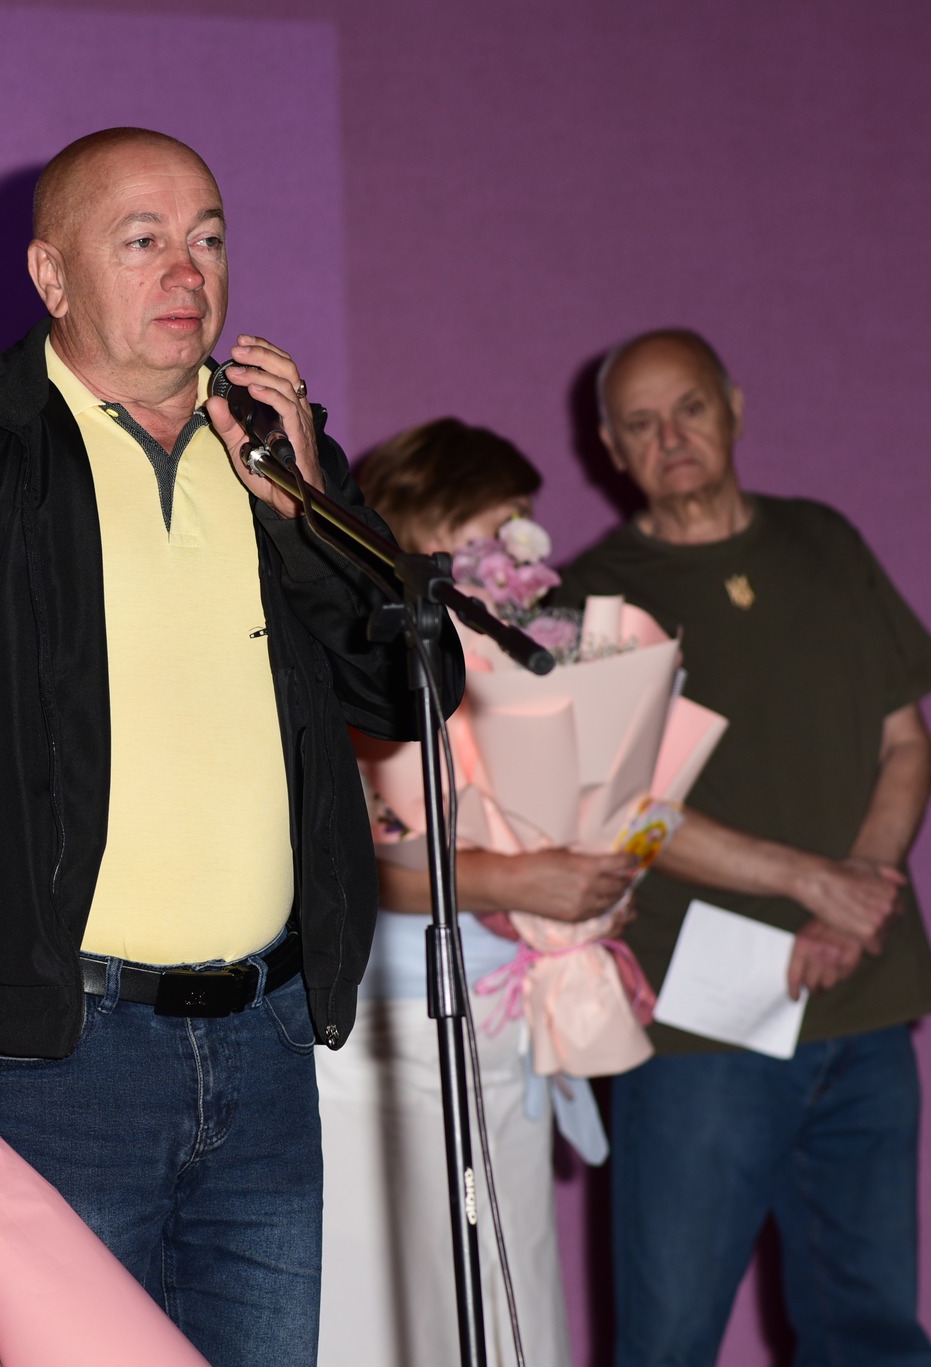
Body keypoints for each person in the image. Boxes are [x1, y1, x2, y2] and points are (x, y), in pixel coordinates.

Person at [0, 127, 458, 1367]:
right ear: (50, 276)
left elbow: (409, 689)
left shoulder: (273, 447)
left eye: (207, 237)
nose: (186, 271)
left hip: (265, 1044)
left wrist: (306, 509)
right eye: (143, 240)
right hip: (59, 1053)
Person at [554, 329, 931, 1367]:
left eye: (689, 408)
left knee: (874, 1336)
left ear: (733, 405)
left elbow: (906, 742)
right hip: (702, 1022)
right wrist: (812, 882)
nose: (670, 437)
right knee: (669, 1341)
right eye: (640, 423)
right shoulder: (592, 601)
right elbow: (624, 814)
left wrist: (854, 898)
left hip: (862, 1000)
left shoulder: (824, 540)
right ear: (609, 446)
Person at [316, 418, 637, 1367]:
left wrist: (583, 883)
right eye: (496, 525)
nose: (518, 548)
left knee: (505, 1271)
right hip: (384, 1023)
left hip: (498, 1005)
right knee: (384, 1281)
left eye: (524, 524)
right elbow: (348, 857)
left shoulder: (527, 654)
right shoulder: (360, 651)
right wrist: (513, 877)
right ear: (424, 522)